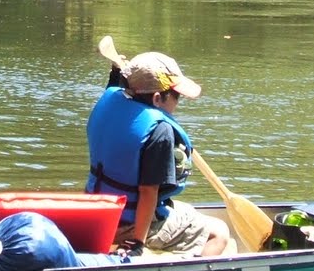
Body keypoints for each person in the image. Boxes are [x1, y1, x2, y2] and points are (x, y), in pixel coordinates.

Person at [86, 40, 231, 257]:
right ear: (157, 98)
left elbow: (117, 82)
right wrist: (137, 243)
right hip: (127, 223)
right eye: (176, 95)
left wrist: (118, 70)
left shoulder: (109, 100)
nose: (178, 102)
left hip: (98, 210)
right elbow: (148, 192)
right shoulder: (159, 131)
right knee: (219, 232)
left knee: (188, 211)